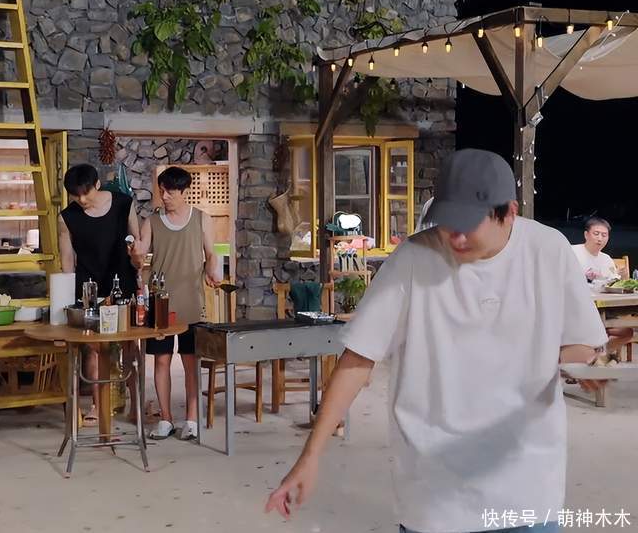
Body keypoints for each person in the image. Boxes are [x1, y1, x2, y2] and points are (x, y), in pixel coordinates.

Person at [266, 149, 607, 533]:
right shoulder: (414, 258)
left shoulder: (549, 250)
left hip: (528, 478)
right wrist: (310, 456)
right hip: (436, 487)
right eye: (447, 222)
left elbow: (580, 344)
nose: (455, 236)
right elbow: (358, 359)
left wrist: (583, 367)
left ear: (509, 212)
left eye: (468, 224)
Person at [132, 166, 222, 441]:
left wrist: (213, 269)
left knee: (190, 363)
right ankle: (166, 419)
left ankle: (191, 420)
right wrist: (136, 255)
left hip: (192, 302)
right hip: (160, 303)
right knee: (161, 361)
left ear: (185, 191)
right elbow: (139, 256)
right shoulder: (151, 221)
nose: (165, 196)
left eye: (170, 191)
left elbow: (211, 253)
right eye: (162, 191)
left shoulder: (201, 219)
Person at [59, 164, 139, 426]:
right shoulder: (67, 217)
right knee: (93, 348)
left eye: (86, 193)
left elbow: (136, 243)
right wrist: (67, 297)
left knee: (130, 346)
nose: (82, 199)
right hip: (88, 287)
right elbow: (67, 259)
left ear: (97, 185)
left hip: (122, 282)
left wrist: (140, 271)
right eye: (75, 195)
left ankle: (135, 404)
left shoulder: (123, 204)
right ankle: (96, 404)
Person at [572, 218, 633, 356]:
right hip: (578, 311)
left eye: (604, 235)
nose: (600, 238)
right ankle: (593, 356)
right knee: (597, 331)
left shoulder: (606, 259)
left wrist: (622, 278)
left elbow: (613, 284)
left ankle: (598, 357)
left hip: (604, 310)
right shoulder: (572, 252)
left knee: (627, 332)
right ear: (586, 234)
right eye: (596, 233)